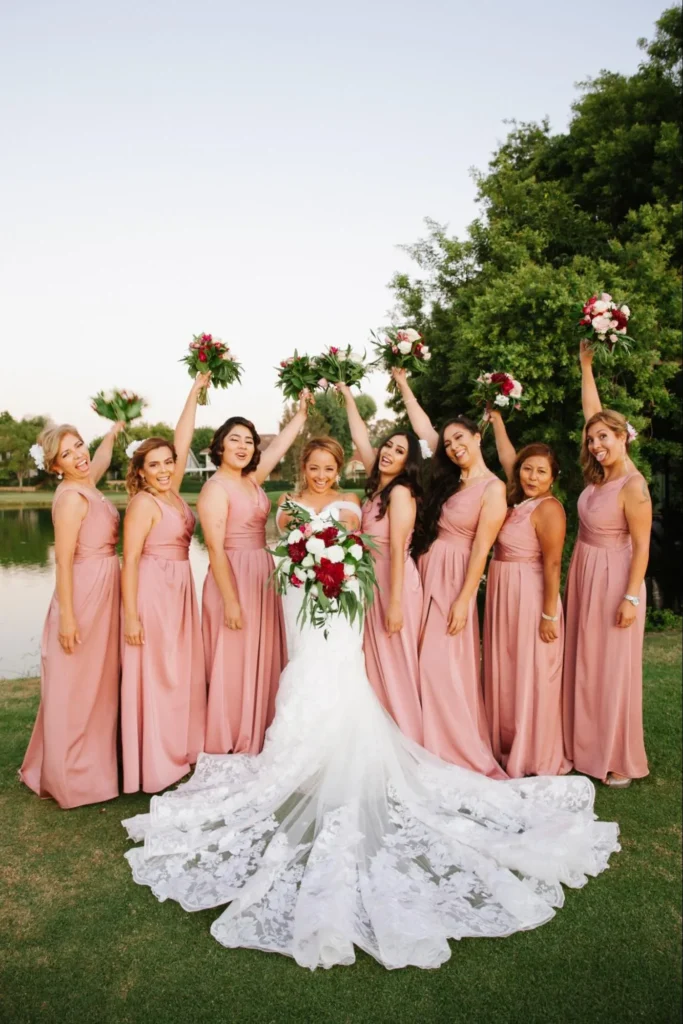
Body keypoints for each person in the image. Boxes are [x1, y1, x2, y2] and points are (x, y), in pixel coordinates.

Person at [122, 402, 620, 973]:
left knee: (340, 674)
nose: (322, 473)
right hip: (303, 599)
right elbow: (288, 547)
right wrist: (304, 559)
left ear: (340, 471)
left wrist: (356, 578)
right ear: (306, 467)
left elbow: (371, 549)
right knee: (304, 669)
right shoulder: (290, 505)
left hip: (348, 604)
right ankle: (300, 753)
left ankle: (340, 752)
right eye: (315, 465)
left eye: (330, 466)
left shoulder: (363, 504)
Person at [393, 369, 507, 777]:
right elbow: (425, 430)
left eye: (461, 438)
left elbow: (482, 549)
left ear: (479, 437)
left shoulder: (493, 489)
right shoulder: (451, 481)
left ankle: (453, 749)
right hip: (427, 570)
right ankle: (426, 742)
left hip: (455, 578)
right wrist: (404, 385)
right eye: (449, 442)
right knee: (417, 659)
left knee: (440, 665)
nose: (454, 446)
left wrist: (464, 599)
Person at [198, 392, 311, 755]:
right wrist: (230, 601)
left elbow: (279, 446)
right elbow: (214, 548)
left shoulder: (252, 480)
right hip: (230, 575)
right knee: (234, 659)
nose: (244, 446)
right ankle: (231, 734)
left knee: (261, 655)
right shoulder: (215, 488)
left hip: (261, 574)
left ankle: (260, 728)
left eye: (249, 440)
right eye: (235, 439)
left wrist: (302, 413)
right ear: (218, 447)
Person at [20, 420, 124, 808]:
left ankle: (95, 766)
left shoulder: (88, 483)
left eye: (79, 445)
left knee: (98, 684)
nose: (80, 455)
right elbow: (62, 561)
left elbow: (99, 458)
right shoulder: (70, 498)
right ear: (54, 465)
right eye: (68, 453)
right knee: (75, 688)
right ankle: (70, 778)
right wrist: (67, 617)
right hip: (82, 594)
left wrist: (112, 433)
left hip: (106, 589)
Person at [563, 343, 652, 787]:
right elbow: (593, 412)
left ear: (624, 438)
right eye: (592, 439)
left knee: (612, 666)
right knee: (585, 661)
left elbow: (642, 547)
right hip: (585, 572)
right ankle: (584, 746)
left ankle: (618, 755)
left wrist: (632, 597)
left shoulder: (633, 485)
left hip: (617, 577)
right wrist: (586, 366)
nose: (596, 444)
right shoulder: (601, 477)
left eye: (605, 437)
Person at [120, 374, 210, 794]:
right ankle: (154, 762)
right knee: (157, 673)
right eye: (153, 464)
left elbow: (183, 436)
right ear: (139, 471)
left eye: (168, 462)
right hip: (153, 591)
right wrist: (132, 616)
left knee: (180, 670)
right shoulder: (143, 503)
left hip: (180, 586)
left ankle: (180, 747)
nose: (163, 469)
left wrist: (194, 391)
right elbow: (130, 561)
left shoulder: (173, 494)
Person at [483, 409, 570, 777]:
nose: (532, 476)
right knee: (509, 672)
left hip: (531, 597)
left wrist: (549, 614)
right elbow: (508, 457)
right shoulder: (519, 500)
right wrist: (498, 420)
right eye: (527, 469)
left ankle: (535, 754)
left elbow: (552, 565)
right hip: (504, 596)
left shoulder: (549, 509)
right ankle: (507, 743)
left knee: (533, 674)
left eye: (541, 471)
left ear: (553, 478)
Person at [336, 382, 424, 743]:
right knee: (376, 666)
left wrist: (395, 604)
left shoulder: (401, 493)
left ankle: (409, 741)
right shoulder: (378, 488)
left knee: (398, 666)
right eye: (387, 444)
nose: (388, 452)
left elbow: (400, 550)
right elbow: (359, 435)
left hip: (396, 585)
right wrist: (347, 396)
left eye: (399, 450)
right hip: (373, 584)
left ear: (409, 460)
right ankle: (384, 742)